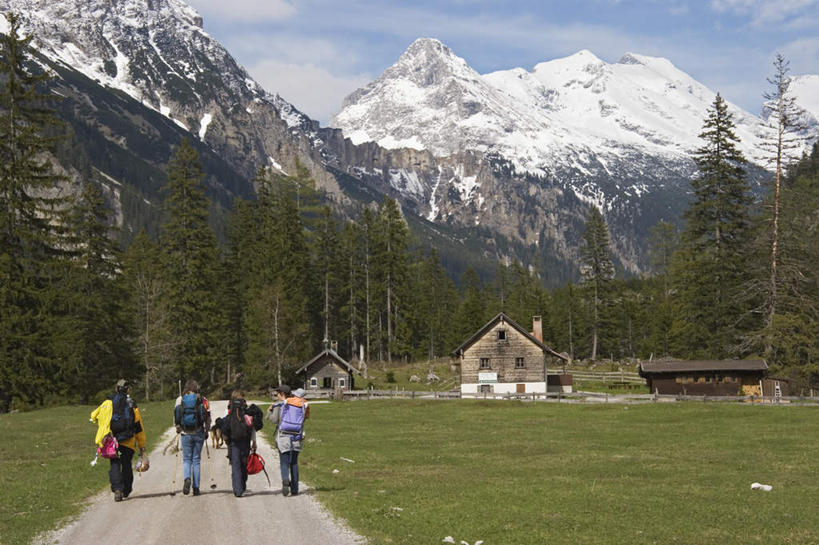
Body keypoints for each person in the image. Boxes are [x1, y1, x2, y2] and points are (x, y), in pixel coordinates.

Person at [90, 379, 146, 502]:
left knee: (115, 464)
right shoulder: (131, 404)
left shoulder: (108, 403)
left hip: (113, 442)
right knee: (126, 465)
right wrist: (141, 445)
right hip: (128, 441)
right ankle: (126, 490)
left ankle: (117, 489)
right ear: (128, 390)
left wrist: (102, 424)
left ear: (116, 389)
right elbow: (138, 426)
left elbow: (93, 415)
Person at [267, 384, 308, 497]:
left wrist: (269, 411)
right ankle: (295, 489)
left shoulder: (280, 405)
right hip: (297, 436)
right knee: (294, 462)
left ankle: (285, 480)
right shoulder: (300, 403)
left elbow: (274, 420)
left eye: (277, 394)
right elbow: (304, 418)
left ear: (283, 394)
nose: (277, 396)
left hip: (284, 436)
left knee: (284, 462)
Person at [174, 379, 211, 496]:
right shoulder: (202, 399)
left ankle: (187, 478)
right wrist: (207, 430)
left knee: (186, 460)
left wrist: (178, 427)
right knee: (196, 460)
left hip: (185, 433)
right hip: (199, 432)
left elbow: (176, 415)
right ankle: (196, 487)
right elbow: (208, 416)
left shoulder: (180, 399)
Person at [223, 390, 256, 497]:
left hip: (233, 441)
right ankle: (242, 484)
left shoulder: (230, 410)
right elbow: (252, 426)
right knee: (244, 463)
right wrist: (254, 441)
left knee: (235, 465)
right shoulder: (246, 409)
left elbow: (225, 425)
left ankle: (237, 490)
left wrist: (226, 438)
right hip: (245, 440)